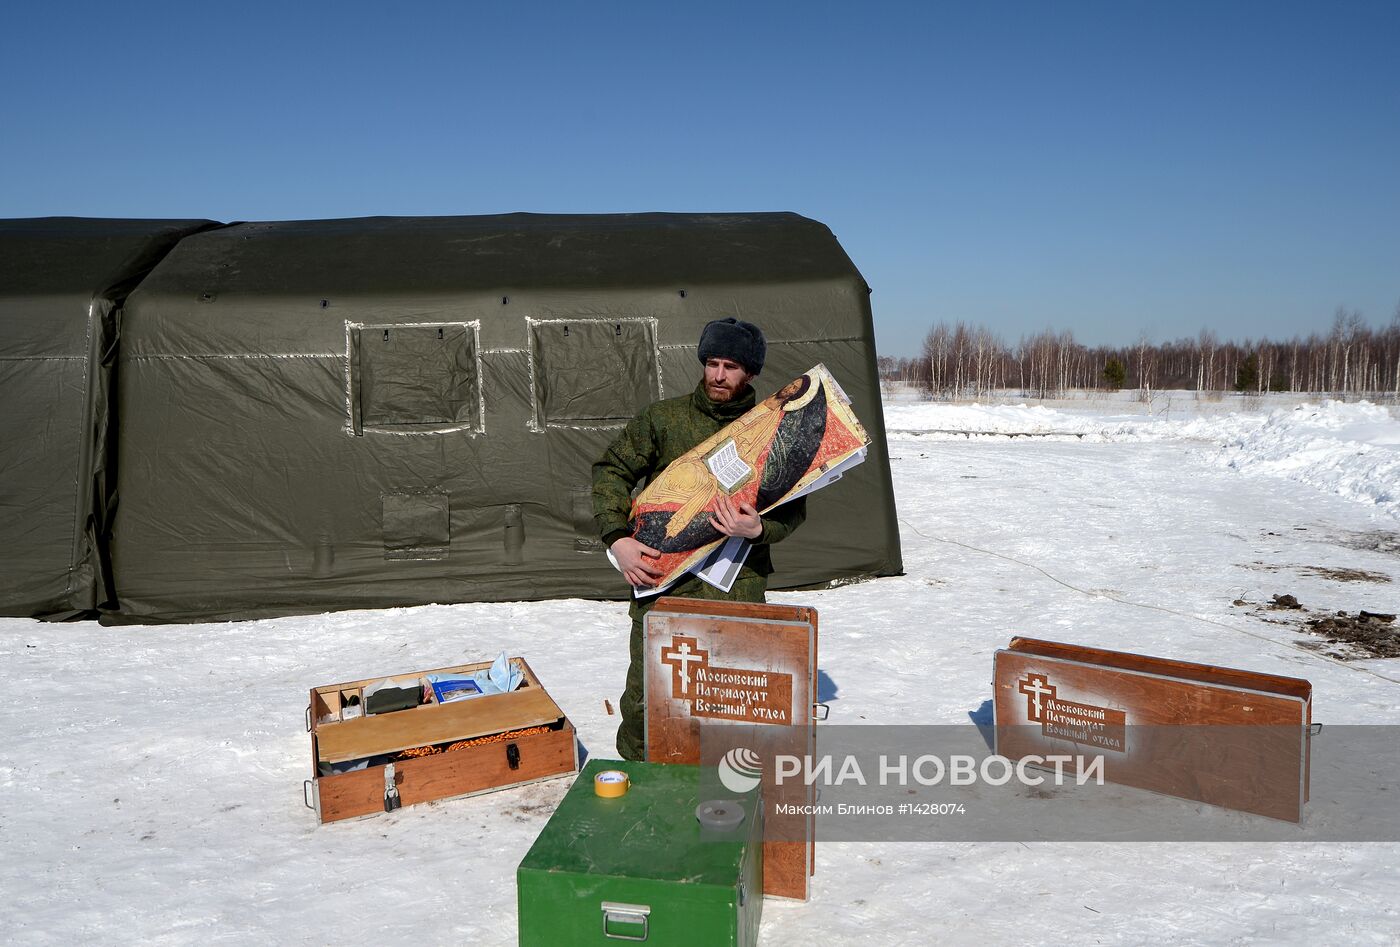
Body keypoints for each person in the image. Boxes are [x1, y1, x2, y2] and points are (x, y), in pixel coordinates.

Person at [592, 317, 806, 760]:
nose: (718, 374)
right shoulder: (664, 419)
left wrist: (760, 529)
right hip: (664, 576)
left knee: (731, 693)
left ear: (750, 372)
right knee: (649, 695)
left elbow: (794, 506)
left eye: (730, 365)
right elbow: (611, 471)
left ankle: (731, 786)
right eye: (712, 362)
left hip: (737, 582)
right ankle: (643, 785)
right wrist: (617, 539)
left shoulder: (771, 431)